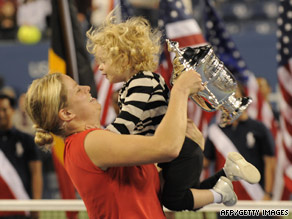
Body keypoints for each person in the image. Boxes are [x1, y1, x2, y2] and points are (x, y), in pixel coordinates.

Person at [86, 15, 260, 211]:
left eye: (103, 61)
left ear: (124, 59)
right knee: (191, 195)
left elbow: (126, 122)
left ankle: (221, 194)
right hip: (179, 151)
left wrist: (98, 141)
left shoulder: (141, 82)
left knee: (174, 200)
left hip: (179, 153)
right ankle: (228, 172)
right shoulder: (145, 81)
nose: (99, 66)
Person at [25, 70, 240, 218]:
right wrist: (180, 91)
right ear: (67, 113)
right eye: (76, 90)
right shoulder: (88, 142)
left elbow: (162, 189)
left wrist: (193, 150)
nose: (87, 87)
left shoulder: (100, 142)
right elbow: (166, 147)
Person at [203, 83, 276, 204]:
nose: (231, 101)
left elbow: (270, 163)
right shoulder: (215, 132)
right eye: (227, 97)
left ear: (243, 99)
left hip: (255, 200)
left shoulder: (259, 128)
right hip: (225, 200)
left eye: (235, 96)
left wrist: (268, 194)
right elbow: (204, 163)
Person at [0, 94, 43, 219]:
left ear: (12, 111)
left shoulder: (26, 140)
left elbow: (36, 173)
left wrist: (36, 205)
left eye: (4, 109)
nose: (1, 114)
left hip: (22, 208)